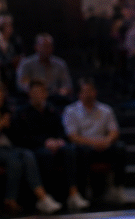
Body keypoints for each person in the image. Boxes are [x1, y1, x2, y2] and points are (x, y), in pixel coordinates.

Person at [0, 82, 62, 215]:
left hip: (9, 147)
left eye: (1, 96)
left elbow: (16, 137)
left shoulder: (7, 112)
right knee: (14, 159)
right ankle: (13, 200)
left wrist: (9, 126)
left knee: (27, 154)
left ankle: (40, 197)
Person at [12, 79, 89, 212]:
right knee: (45, 154)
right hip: (34, 148)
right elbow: (21, 138)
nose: (37, 95)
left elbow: (61, 131)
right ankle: (45, 197)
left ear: (45, 94)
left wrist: (59, 141)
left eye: (40, 92)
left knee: (70, 150)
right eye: (34, 92)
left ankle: (73, 194)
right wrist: (44, 142)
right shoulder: (22, 113)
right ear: (29, 94)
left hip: (54, 145)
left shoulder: (52, 110)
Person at [63, 79, 126, 203]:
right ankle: (84, 190)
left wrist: (107, 141)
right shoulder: (71, 111)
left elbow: (114, 131)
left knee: (120, 147)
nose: (88, 94)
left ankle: (117, 187)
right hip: (84, 146)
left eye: (90, 91)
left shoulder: (106, 109)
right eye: (85, 91)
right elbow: (72, 136)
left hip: (104, 145)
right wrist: (94, 143)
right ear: (79, 94)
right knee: (79, 151)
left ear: (95, 92)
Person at [16, 34, 72, 104]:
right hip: (31, 99)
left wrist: (62, 91)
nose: (47, 49)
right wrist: (36, 92)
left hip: (54, 99)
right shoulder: (26, 64)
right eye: (44, 46)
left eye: (49, 46)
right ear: (36, 47)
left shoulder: (60, 64)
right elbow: (21, 84)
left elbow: (67, 85)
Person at [81, 0, 119, 68]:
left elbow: (115, 14)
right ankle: (96, 59)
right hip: (93, 24)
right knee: (97, 23)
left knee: (105, 24)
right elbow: (86, 14)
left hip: (108, 25)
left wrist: (97, 13)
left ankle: (105, 59)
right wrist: (100, 14)